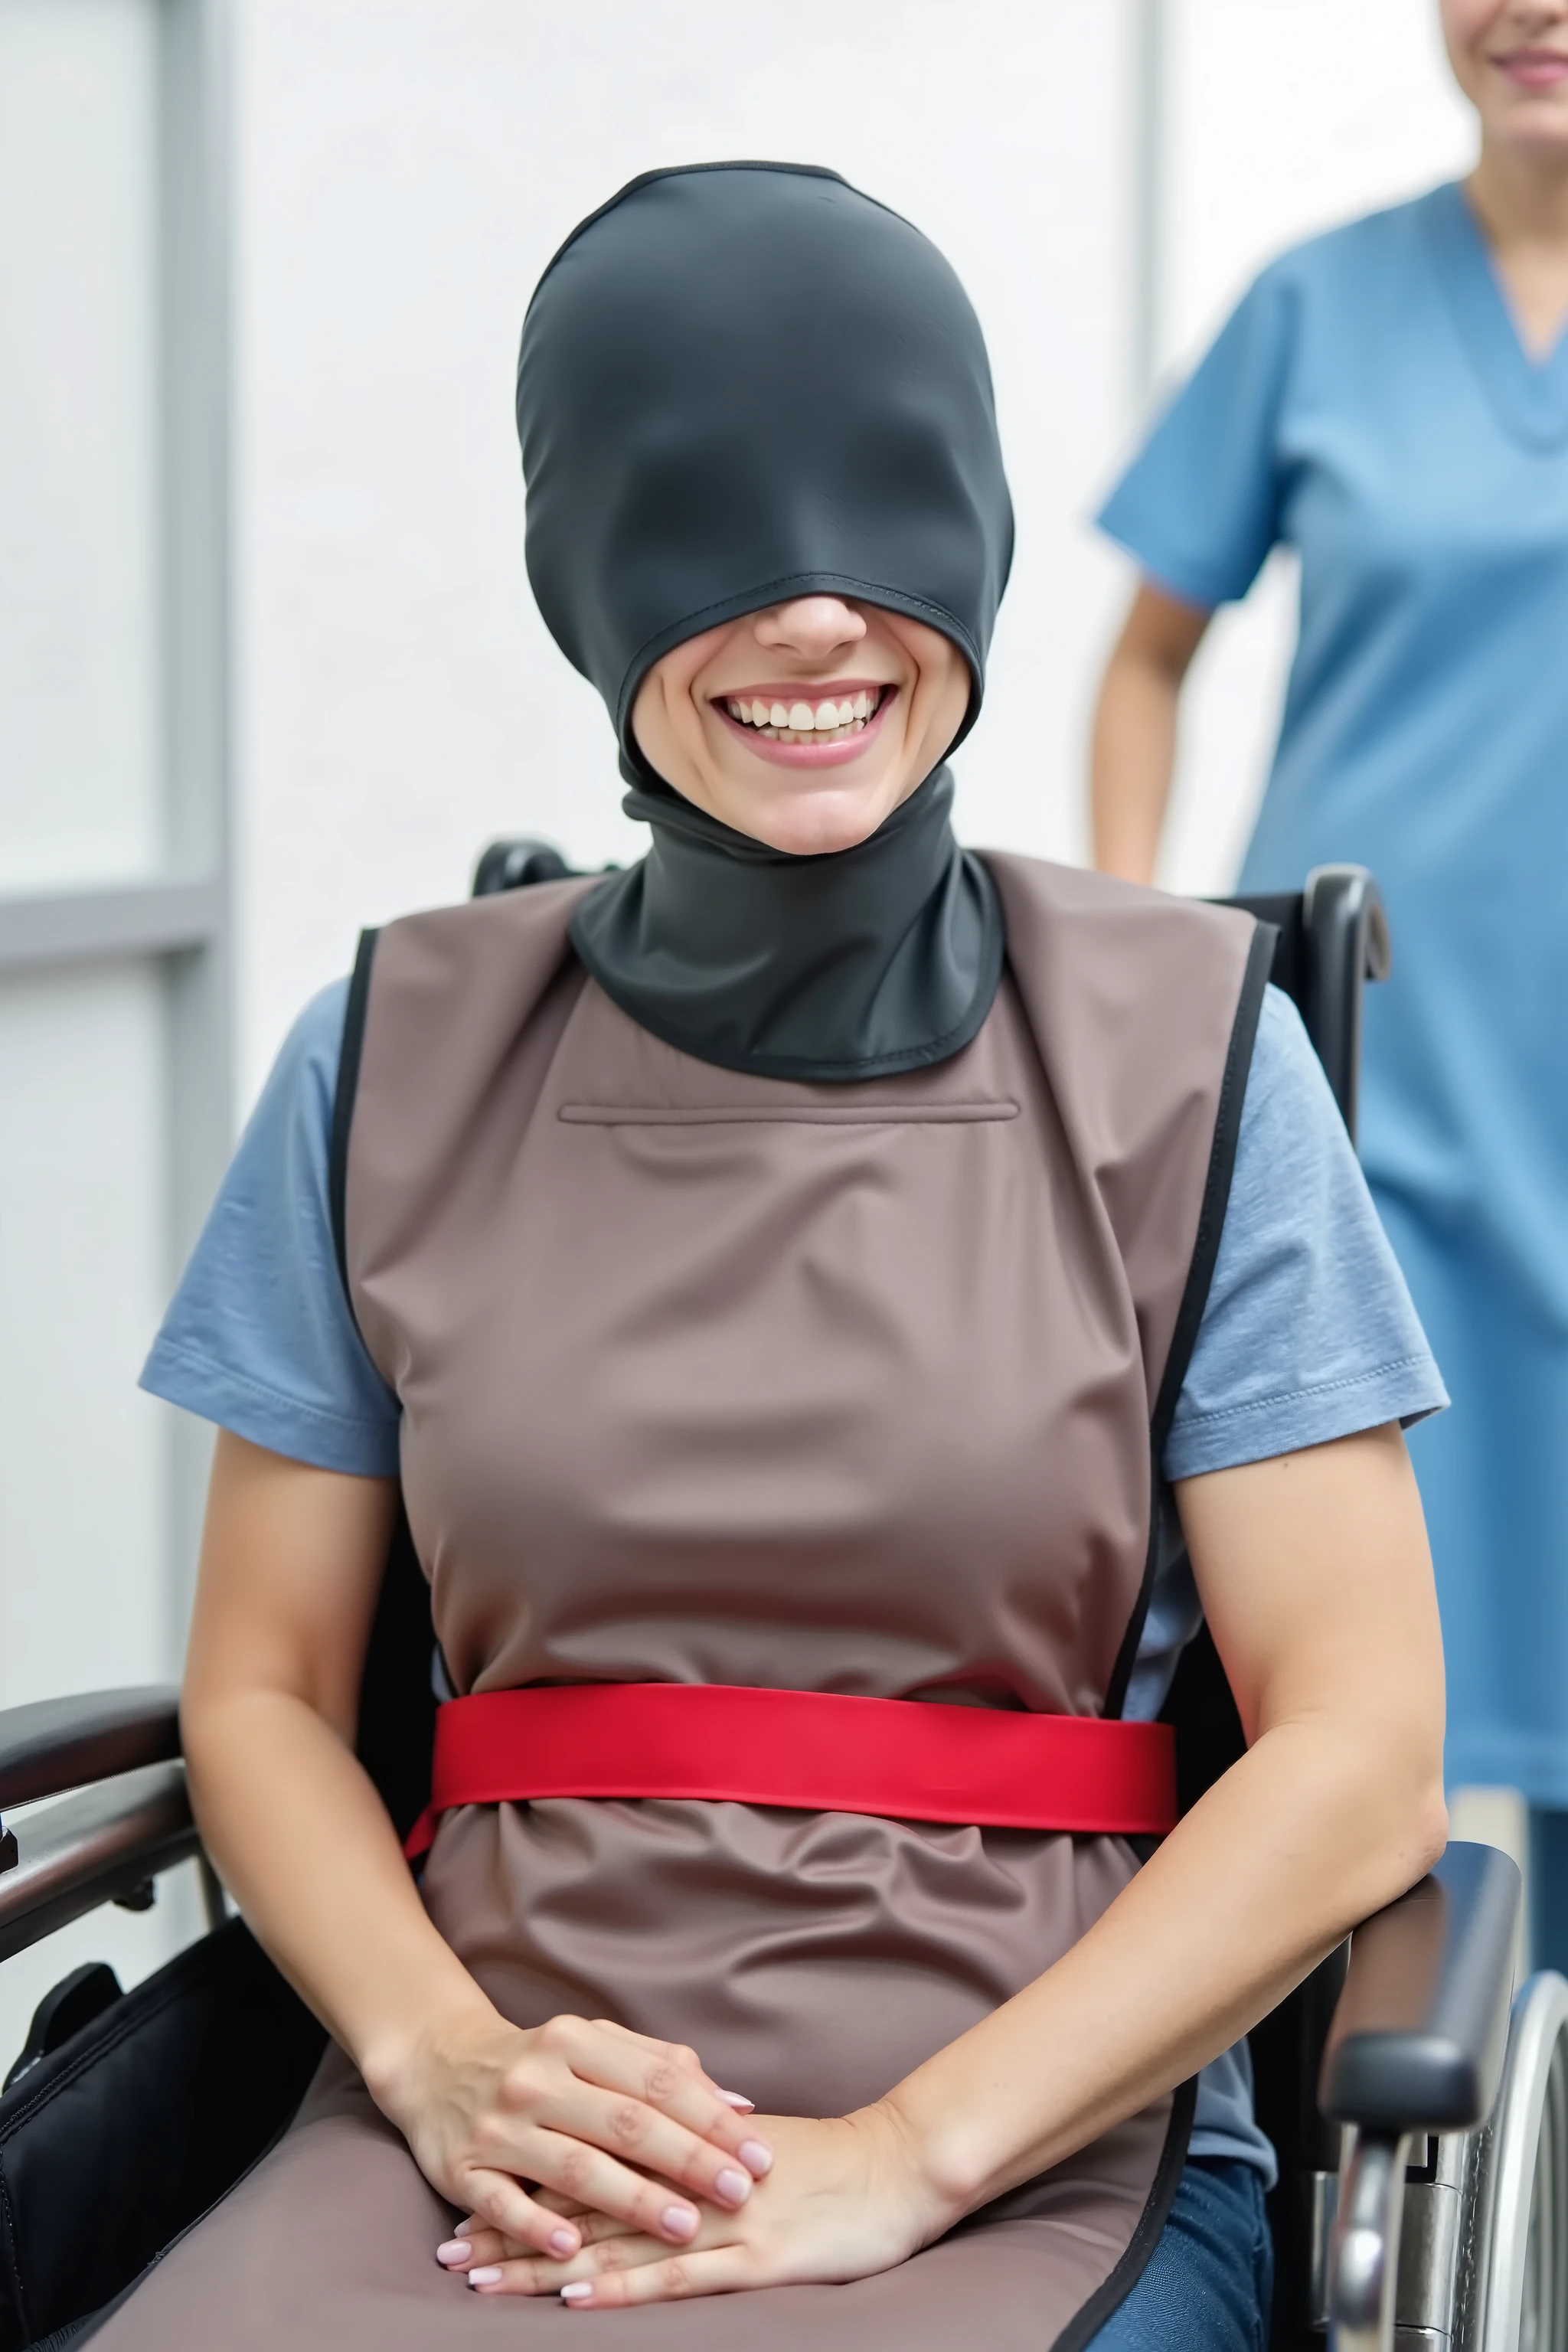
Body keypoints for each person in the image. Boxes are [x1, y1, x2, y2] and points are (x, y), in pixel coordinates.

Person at [102, 164, 1446, 2351]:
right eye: (716, 534)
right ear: (585, 575)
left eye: (883, 521)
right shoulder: (391, 1057)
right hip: (489, 2125)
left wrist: (905, 2155)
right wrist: (445, 2068)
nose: (817, 622)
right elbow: (258, 1686)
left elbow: (1364, 1747)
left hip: (1031, 2135)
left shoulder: (1195, 1058)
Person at [1089, 0, 1568, 1935]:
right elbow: (1142, 658)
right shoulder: (1313, 305)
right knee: (1366, 1700)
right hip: (1363, 1089)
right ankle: (1373, 2177)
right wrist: (1132, 957)